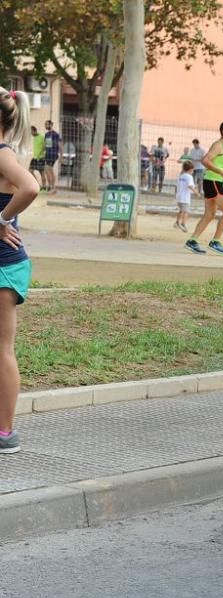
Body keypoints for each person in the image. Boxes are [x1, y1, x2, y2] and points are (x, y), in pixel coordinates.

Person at [0, 89, 41, 453]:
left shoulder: (2, 155)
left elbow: (31, 186)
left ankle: (5, 432)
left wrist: (2, 217)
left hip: (4, 266)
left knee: (2, 349)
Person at [186, 120, 223, 255]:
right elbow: (205, 160)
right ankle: (215, 242)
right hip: (213, 182)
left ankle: (192, 240)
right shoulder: (218, 145)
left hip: (213, 182)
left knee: (210, 214)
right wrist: (221, 172)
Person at [174, 161, 197, 232]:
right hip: (185, 198)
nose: (193, 171)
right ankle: (183, 224)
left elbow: (176, 186)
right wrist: (196, 192)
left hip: (179, 197)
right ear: (190, 169)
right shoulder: (189, 177)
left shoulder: (181, 176)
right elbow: (190, 186)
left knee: (181, 211)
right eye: (193, 170)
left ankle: (177, 222)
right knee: (186, 212)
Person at [42, 119, 59, 195]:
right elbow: (46, 145)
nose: (46, 126)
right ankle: (51, 187)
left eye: (47, 124)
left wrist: (61, 155)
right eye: (45, 124)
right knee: (47, 170)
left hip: (53, 154)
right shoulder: (46, 134)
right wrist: (42, 153)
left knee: (49, 169)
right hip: (47, 154)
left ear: (51, 125)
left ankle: (53, 188)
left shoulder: (55, 134)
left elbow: (60, 144)